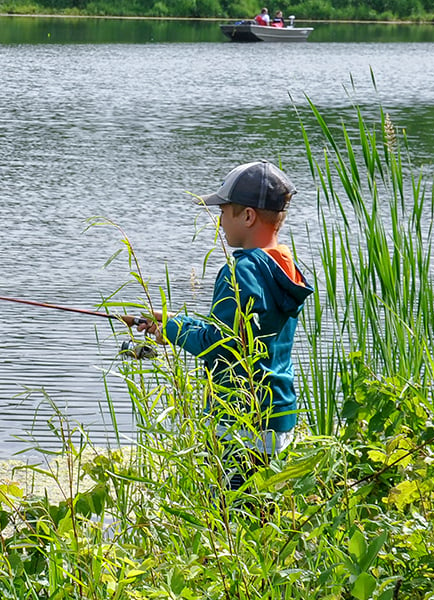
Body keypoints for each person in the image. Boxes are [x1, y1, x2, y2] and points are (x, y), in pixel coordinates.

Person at [124, 161, 313, 490]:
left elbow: (220, 344)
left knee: (232, 511)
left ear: (248, 216)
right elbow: (240, 335)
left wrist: (172, 330)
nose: (220, 220)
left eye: (224, 211)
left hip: (242, 420)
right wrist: (171, 324)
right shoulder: (284, 268)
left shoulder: (239, 273)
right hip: (279, 413)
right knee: (265, 512)